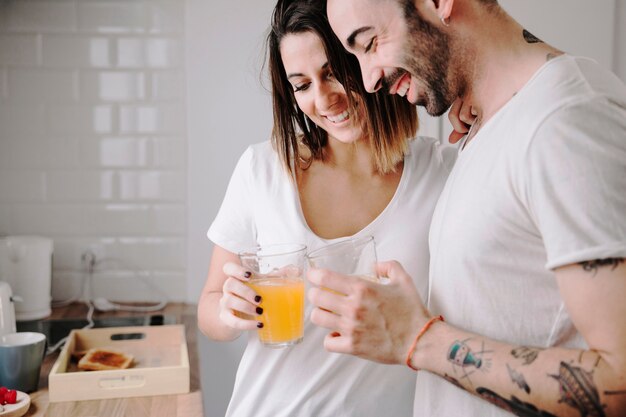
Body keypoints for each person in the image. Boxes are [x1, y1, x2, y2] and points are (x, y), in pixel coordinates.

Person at [306, 0, 626, 416]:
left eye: (369, 43)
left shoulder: (566, 122)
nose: (368, 80)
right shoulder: (499, 120)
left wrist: (415, 340)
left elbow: (619, 381)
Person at [196, 0, 457, 415]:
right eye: (301, 85)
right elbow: (209, 309)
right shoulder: (262, 170)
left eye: (333, 73)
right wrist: (228, 310)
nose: (323, 99)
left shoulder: (442, 173)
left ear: (367, 55)